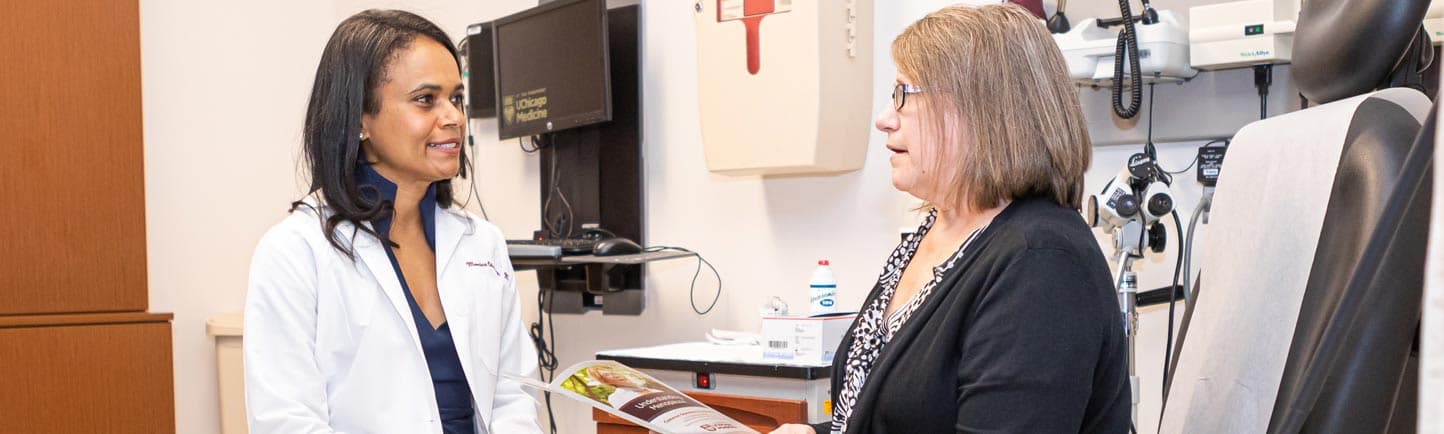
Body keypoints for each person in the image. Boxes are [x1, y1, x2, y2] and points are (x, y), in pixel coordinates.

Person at [771, 4, 1129, 433]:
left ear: (981, 110)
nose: (884, 119)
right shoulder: (935, 234)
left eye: (904, 93)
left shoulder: (1043, 264)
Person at [244, 10, 541, 434]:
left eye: (456, 98)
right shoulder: (294, 252)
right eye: (426, 99)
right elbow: (286, 422)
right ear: (360, 120)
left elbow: (514, 393)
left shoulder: (482, 243)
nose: (454, 117)